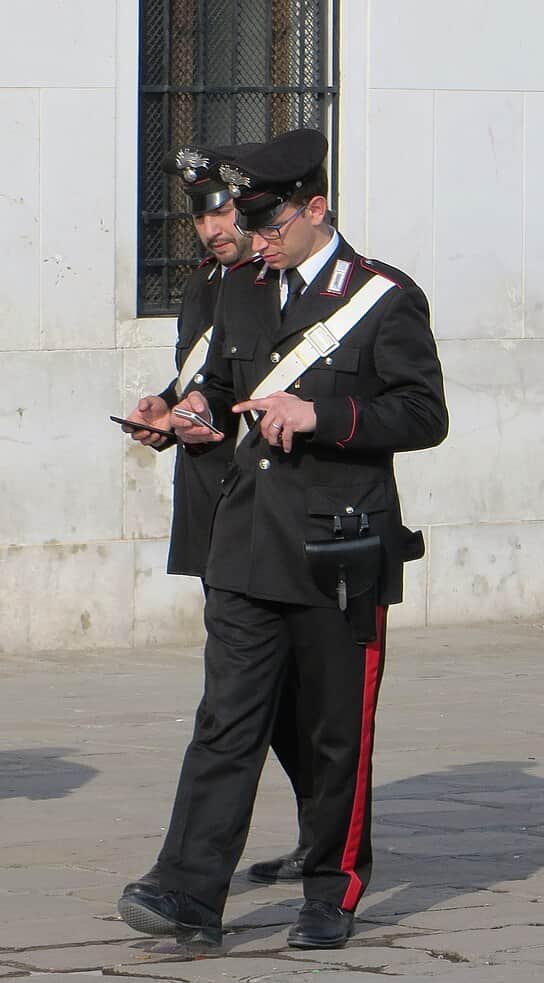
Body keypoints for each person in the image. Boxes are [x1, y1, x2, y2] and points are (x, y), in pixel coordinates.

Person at [118, 129, 447, 949]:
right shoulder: (244, 290)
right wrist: (178, 419)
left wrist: (326, 416)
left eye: (271, 225)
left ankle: (333, 888)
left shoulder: (381, 295)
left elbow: (424, 413)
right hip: (246, 542)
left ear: (315, 208)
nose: (256, 239)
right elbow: (224, 392)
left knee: (334, 731)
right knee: (225, 721)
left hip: (336, 549)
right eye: (253, 225)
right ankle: (188, 891)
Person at [120, 144, 311, 887]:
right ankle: (307, 834)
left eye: (225, 212)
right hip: (214, 499)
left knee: (270, 686)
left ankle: (321, 836)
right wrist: (163, 410)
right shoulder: (209, 285)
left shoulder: (274, 283)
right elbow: (202, 377)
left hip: (268, 502)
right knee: (253, 683)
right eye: (200, 216)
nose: (212, 229)